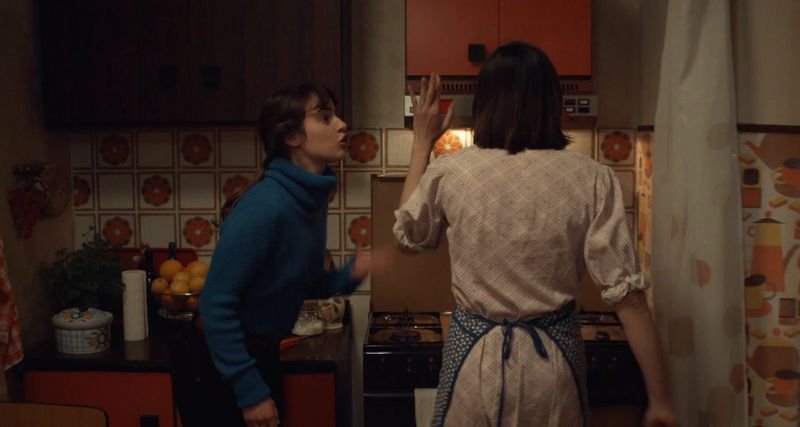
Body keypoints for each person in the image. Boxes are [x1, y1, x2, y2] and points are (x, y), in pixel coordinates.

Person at [394, 42, 677, 427]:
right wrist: (661, 401)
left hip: (473, 364)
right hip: (553, 369)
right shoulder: (592, 178)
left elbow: (409, 236)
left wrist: (422, 143)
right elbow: (631, 302)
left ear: (484, 103)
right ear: (551, 101)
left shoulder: (453, 171)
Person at [197, 83, 373, 427]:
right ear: (292, 137)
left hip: (262, 353)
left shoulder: (308, 199)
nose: (342, 124)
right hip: (223, 365)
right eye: (325, 117)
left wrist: (351, 273)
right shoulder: (266, 207)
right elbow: (215, 306)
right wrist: (250, 393)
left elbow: (300, 283)